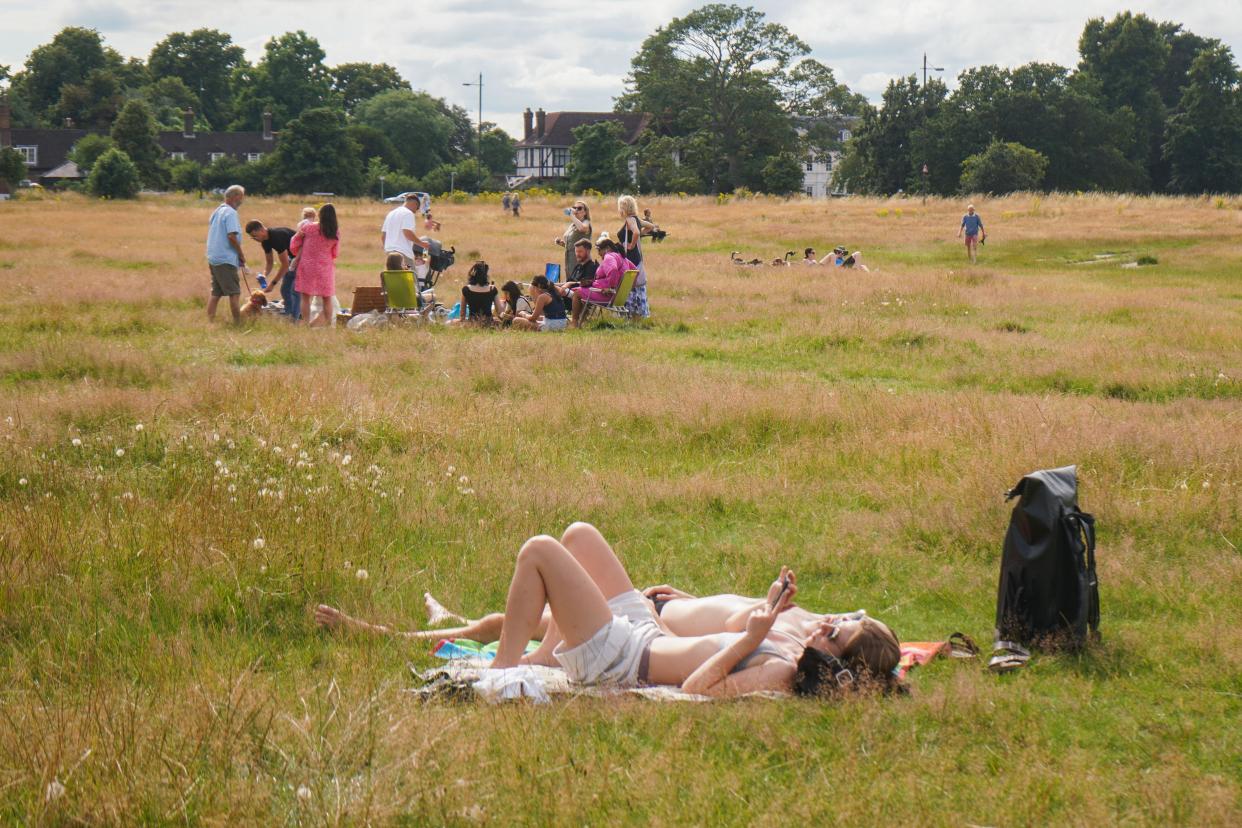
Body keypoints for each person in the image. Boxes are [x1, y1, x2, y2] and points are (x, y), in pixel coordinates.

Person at [481, 524, 899, 696]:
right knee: (579, 536)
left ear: (834, 663)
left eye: (838, 633)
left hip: (621, 658)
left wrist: (751, 639)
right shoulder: (790, 641)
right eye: (846, 618)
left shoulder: (782, 671)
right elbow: (709, 635)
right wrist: (765, 606)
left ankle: (501, 675)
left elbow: (695, 691)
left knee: (539, 550)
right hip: (649, 633)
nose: (831, 622)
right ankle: (539, 659)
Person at [290, 203, 340, 328]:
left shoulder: (308, 228)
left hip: (307, 265)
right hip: (325, 267)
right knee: (327, 298)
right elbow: (335, 252)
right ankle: (328, 325)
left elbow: (294, 244)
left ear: (320, 215)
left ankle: (306, 323)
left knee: (305, 296)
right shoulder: (335, 232)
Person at [569, 234, 632, 328]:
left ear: (607, 248)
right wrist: (627, 288)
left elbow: (613, 270)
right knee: (580, 290)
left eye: (599, 250)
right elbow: (634, 272)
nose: (598, 253)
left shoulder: (609, 257)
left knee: (577, 293)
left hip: (607, 295)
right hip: (619, 296)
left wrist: (610, 288)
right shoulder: (623, 258)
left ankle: (574, 323)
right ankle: (583, 321)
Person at [205, 184, 246, 323]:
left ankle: (210, 321)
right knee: (235, 292)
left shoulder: (218, 210)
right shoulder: (231, 213)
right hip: (225, 258)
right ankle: (237, 323)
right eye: (241, 197)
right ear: (235, 196)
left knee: (216, 292)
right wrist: (241, 254)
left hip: (213, 257)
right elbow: (231, 236)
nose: (242, 200)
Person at [245, 220, 299, 320]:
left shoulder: (276, 237)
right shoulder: (265, 242)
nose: (255, 239)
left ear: (261, 230)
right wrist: (264, 275)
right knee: (285, 290)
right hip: (293, 258)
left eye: (255, 236)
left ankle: (294, 319)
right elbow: (269, 262)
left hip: (304, 256)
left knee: (294, 291)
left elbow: (285, 265)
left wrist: (272, 284)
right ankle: (290, 314)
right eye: (252, 237)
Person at [616, 195, 650, 318]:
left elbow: (635, 232)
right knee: (637, 285)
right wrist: (638, 236)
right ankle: (639, 312)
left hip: (630, 256)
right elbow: (651, 227)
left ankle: (628, 313)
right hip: (636, 256)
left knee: (629, 284)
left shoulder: (630, 219)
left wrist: (631, 244)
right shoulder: (637, 219)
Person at [381, 193, 429, 269]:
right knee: (411, 277)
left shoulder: (391, 214)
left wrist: (387, 250)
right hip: (403, 254)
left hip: (390, 253)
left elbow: (383, 236)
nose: (415, 212)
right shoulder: (408, 213)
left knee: (392, 277)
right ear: (415, 204)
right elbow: (407, 232)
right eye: (417, 209)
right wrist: (421, 244)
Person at [458, 261, 502, 326]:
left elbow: (462, 314)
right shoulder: (492, 289)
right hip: (488, 323)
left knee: (450, 322)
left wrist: (463, 322)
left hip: (472, 323)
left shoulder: (466, 289)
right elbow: (499, 311)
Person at [554, 201, 592, 277]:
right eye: (574, 208)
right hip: (569, 259)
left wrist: (571, 215)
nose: (576, 210)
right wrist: (562, 243)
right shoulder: (572, 225)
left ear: (585, 212)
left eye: (579, 208)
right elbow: (573, 244)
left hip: (581, 260)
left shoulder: (586, 222)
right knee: (570, 282)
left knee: (577, 283)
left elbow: (582, 228)